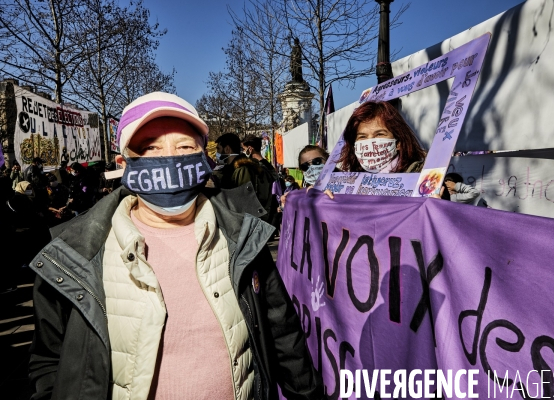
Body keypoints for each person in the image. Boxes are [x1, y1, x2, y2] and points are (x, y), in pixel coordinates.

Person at [28, 92, 323, 400]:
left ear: (204, 159)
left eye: (184, 147)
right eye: (150, 148)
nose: (168, 159)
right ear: (123, 163)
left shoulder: (243, 236)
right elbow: (50, 360)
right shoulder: (74, 251)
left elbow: (283, 334)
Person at [337, 101, 426, 174]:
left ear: (398, 142)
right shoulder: (350, 182)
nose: (370, 143)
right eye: (362, 136)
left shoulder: (420, 176)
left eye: (379, 134)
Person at [214, 133, 275, 223]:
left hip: (244, 225)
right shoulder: (231, 170)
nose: (217, 153)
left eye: (218, 149)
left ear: (227, 149)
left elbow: (243, 204)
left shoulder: (243, 170)